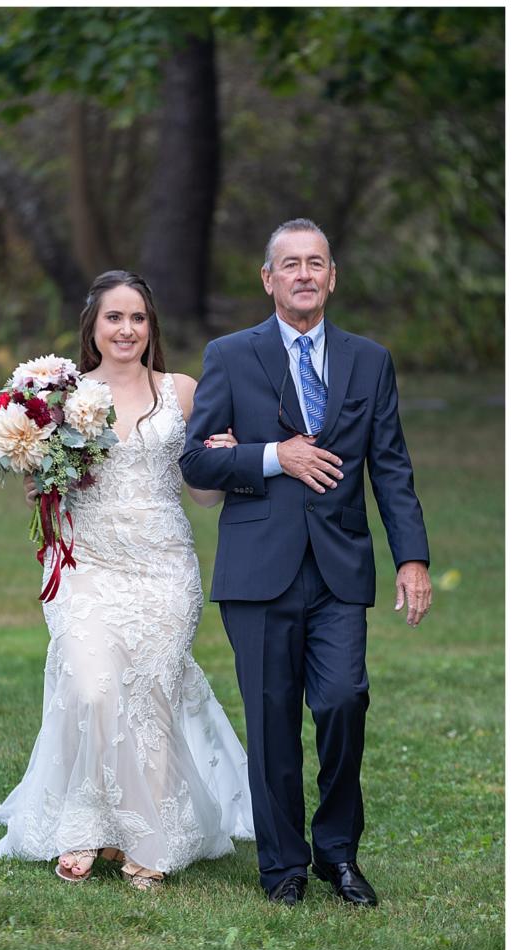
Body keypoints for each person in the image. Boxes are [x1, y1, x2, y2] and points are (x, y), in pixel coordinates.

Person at [180, 218, 431, 908]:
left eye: (314, 262)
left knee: (344, 698)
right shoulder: (231, 355)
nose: (302, 274)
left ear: (330, 277)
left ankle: (338, 854)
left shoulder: (368, 359)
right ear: (267, 279)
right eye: (288, 264)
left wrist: (410, 557)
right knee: (270, 720)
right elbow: (196, 458)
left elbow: (390, 466)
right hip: (258, 568)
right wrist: (271, 455)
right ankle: (283, 867)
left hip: (340, 568)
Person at [0, 270, 254, 889]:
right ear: (93, 328)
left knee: (149, 692)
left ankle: (148, 841)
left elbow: (205, 494)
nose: (126, 329)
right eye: (114, 318)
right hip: (84, 564)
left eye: (137, 318)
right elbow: (42, 483)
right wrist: (37, 483)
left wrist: (227, 453)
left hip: (163, 569)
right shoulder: (58, 398)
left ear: (151, 326)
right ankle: (86, 824)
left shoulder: (183, 392)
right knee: (94, 687)